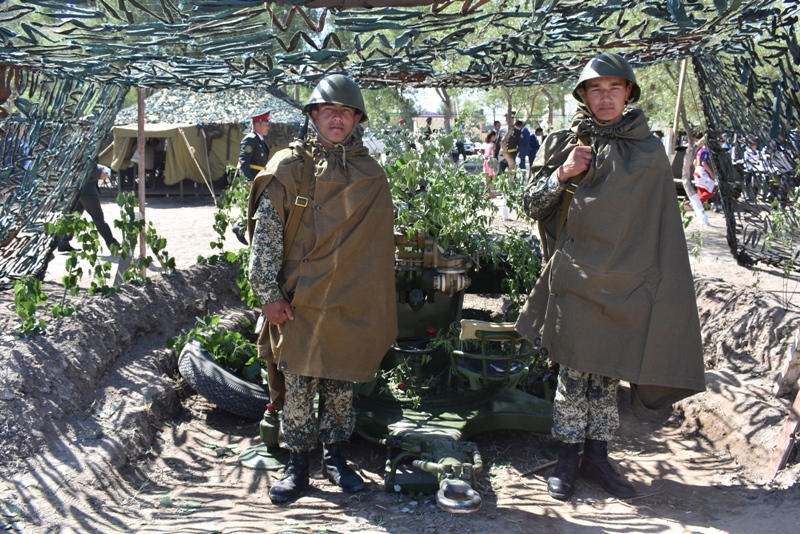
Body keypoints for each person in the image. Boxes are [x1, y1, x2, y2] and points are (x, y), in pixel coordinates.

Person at [515, 52, 705, 502]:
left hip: (627, 283)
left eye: (614, 88)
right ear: (583, 94)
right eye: (595, 89)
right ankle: (566, 459)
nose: (605, 97)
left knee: (607, 379)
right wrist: (562, 173)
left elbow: (659, 226)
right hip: (575, 278)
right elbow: (531, 205)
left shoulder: (648, 150)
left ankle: (598, 458)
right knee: (571, 375)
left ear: (629, 94)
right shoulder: (563, 142)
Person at [247, 74, 398, 505]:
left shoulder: (370, 172)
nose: (338, 119)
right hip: (299, 299)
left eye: (346, 112)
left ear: (356, 119)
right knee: (298, 385)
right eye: (329, 111)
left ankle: (336, 459)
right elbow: (267, 237)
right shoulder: (288, 167)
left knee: (340, 385)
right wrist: (268, 293)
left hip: (349, 299)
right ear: (313, 115)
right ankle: (298, 467)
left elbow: (375, 244)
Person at [57, 163, 121, 253]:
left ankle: (63, 242)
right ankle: (112, 244)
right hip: (87, 191)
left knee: (73, 216)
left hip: (79, 188)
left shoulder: (83, 149)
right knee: (98, 218)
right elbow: (85, 168)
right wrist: (99, 174)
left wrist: (99, 169)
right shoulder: (85, 149)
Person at [238, 110, 271, 182]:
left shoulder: (260, 140)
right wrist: (249, 180)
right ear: (257, 125)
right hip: (253, 177)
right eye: (266, 125)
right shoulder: (250, 139)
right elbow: (244, 160)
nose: (268, 128)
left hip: (259, 177)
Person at [692, 140, 716, 206]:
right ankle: (696, 203)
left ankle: (699, 208)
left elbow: (694, 162)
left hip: (696, 170)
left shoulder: (699, 151)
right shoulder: (705, 151)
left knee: (701, 190)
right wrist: (711, 174)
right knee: (710, 189)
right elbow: (704, 163)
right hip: (702, 171)